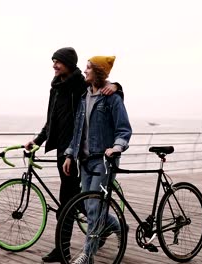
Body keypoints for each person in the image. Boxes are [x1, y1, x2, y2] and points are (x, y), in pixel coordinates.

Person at [24, 47, 123, 263]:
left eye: (58, 62)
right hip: (66, 151)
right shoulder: (56, 87)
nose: (54, 65)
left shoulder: (80, 82)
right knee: (77, 201)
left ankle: (64, 249)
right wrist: (37, 141)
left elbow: (105, 88)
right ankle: (107, 224)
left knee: (68, 201)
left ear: (68, 63)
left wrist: (117, 86)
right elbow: (52, 121)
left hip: (79, 151)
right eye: (53, 61)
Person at [62, 55, 132, 264]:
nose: (85, 71)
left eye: (89, 68)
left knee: (93, 207)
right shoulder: (84, 97)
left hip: (103, 160)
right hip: (84, 160)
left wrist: (116, 148)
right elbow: (78, 131)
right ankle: (118, 226)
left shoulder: (112, 98)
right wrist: (69, 154)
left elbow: (124, 128)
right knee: (85, 205)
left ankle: (87, 254)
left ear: (98, 73)